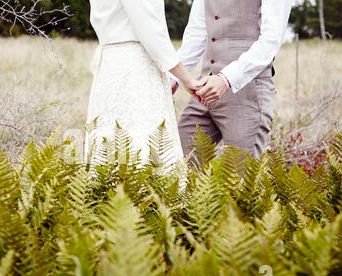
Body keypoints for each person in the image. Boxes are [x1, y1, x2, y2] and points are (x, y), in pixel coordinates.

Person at [171, 0, 293, 161]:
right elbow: (197, 33)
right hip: (204, 91)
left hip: (247, 96)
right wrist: (174, 78)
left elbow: (271, 41)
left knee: (240, 178)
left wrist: (226, 79)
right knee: (178, 165)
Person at [86, 0, 202, 167]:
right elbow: (150, 31)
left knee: (114, 141)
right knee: (142, 141)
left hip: (111, 67)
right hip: (135, 68)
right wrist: (186, 79)